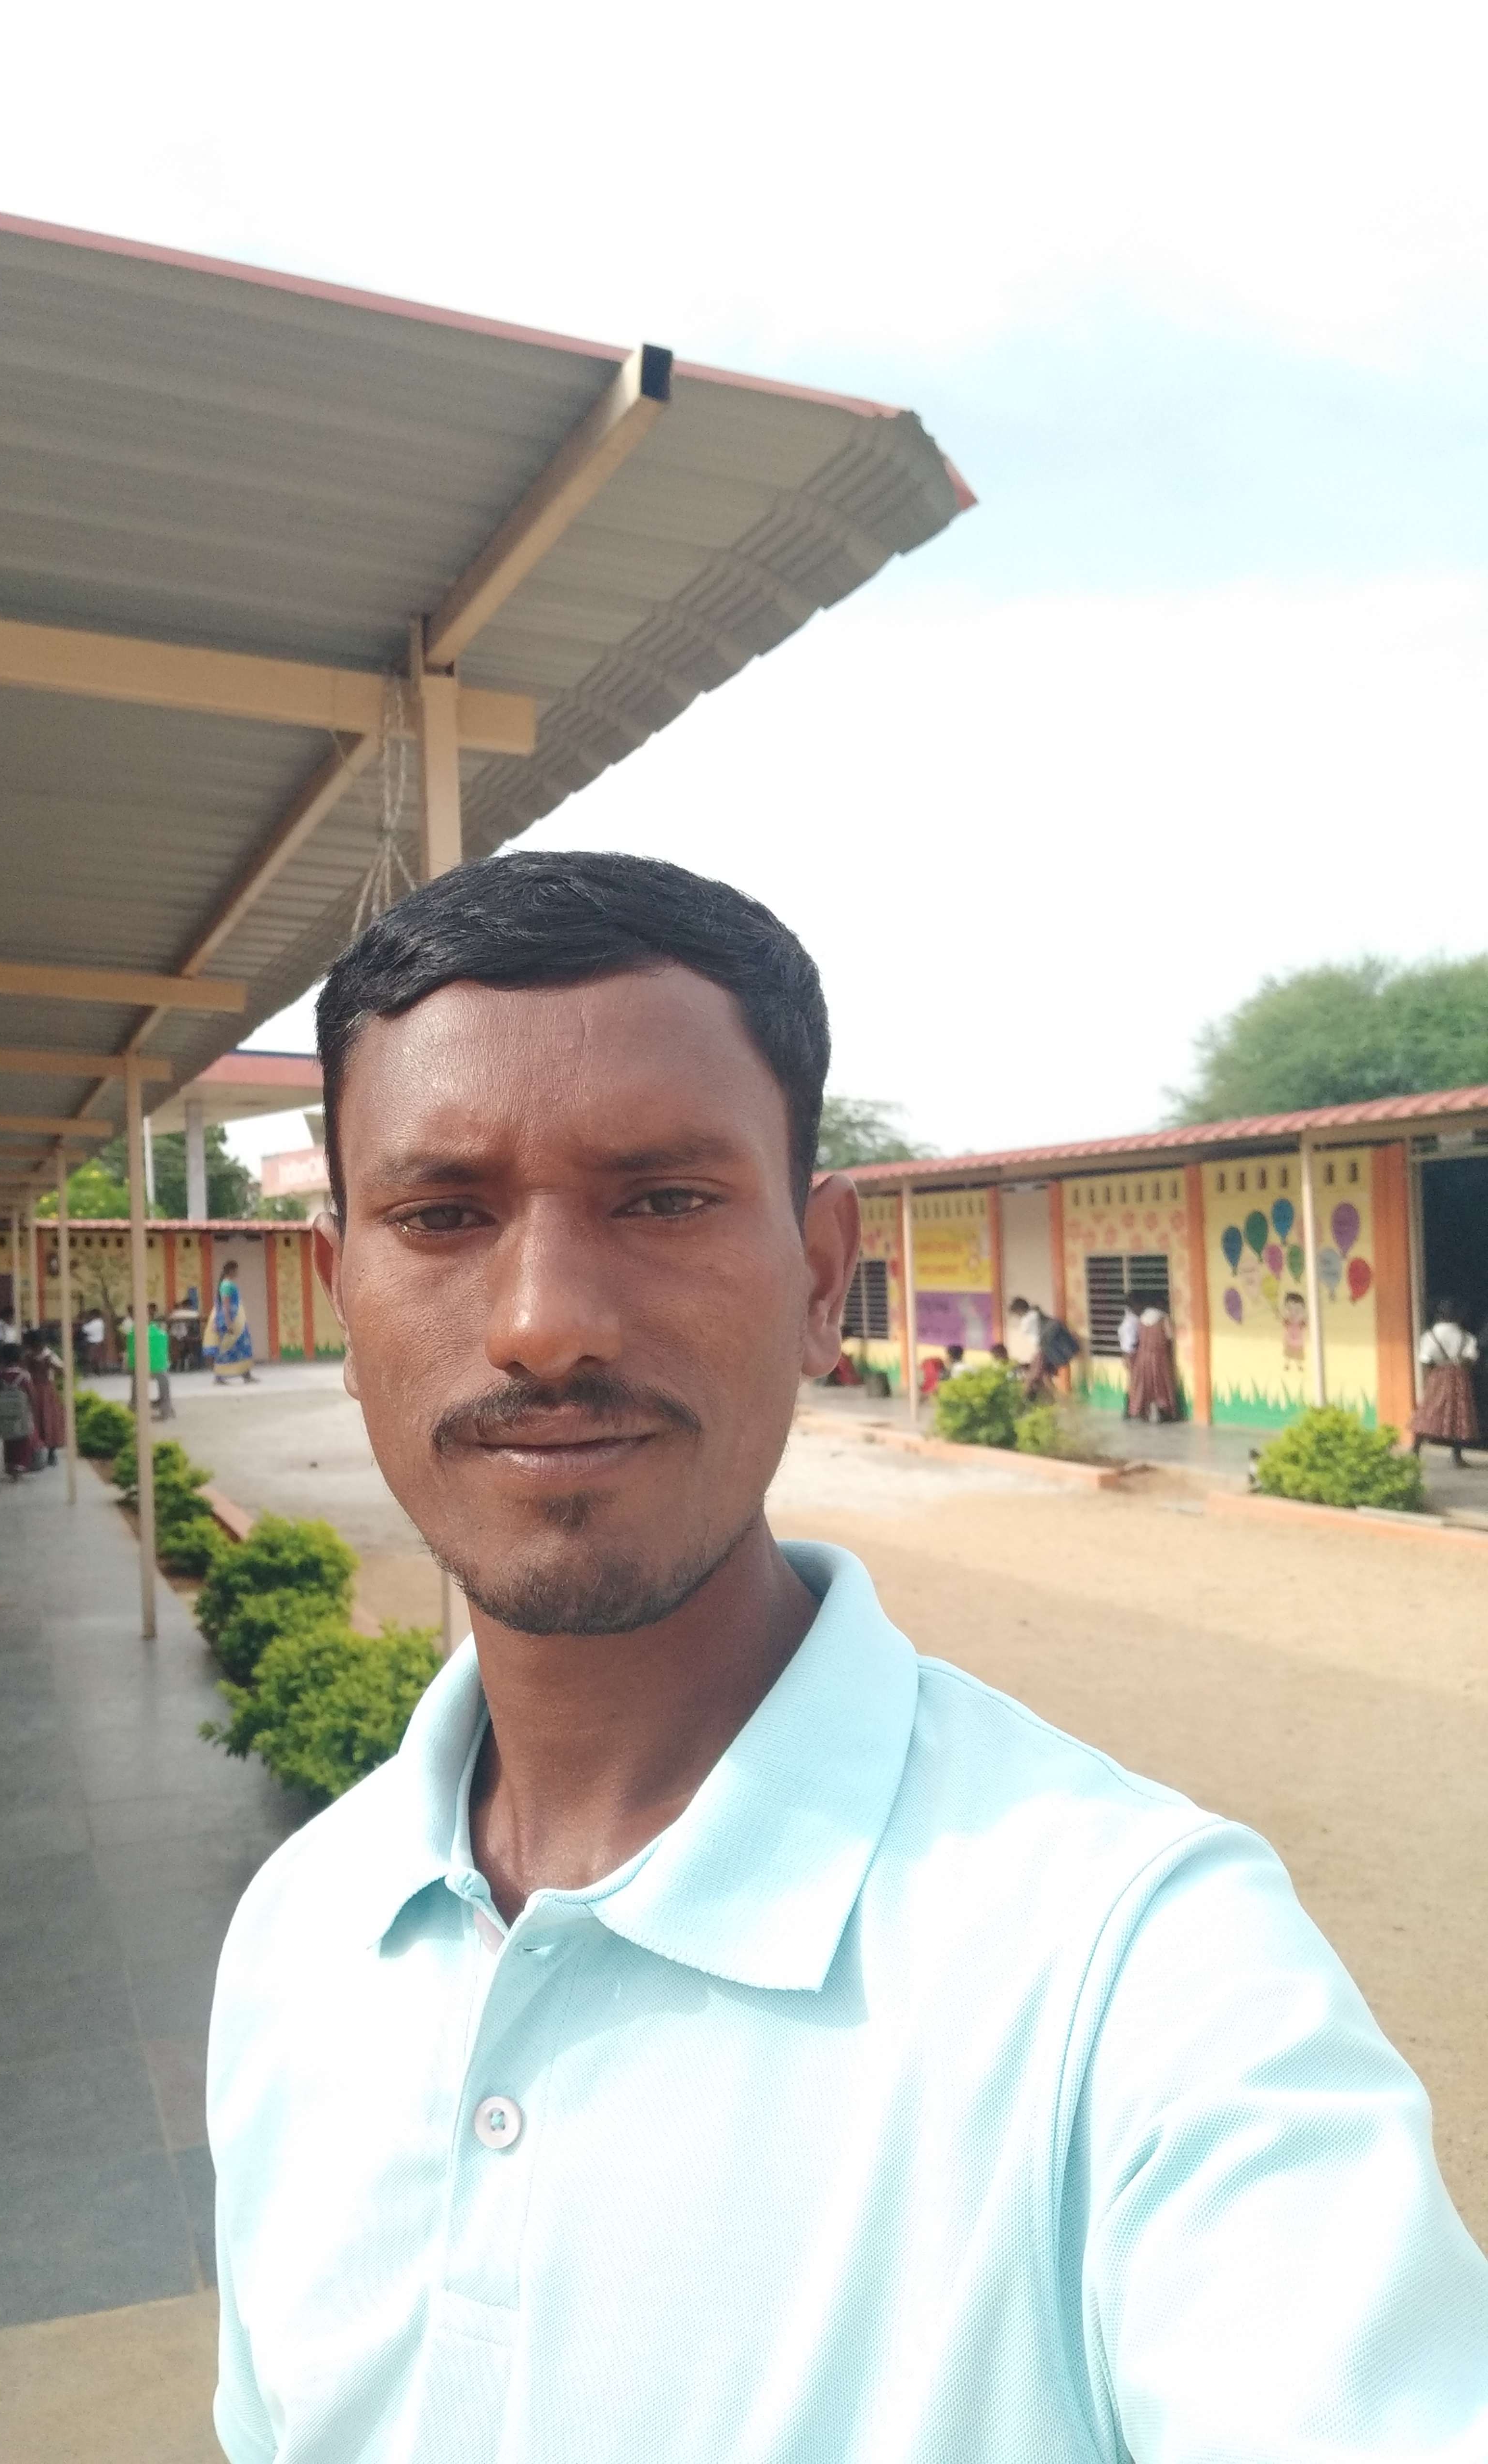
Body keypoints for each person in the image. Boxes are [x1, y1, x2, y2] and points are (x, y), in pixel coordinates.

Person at [207, 851, 1488, 2464]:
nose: (543, 1323)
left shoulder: (1138, 1986)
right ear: (342, 1290)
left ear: (823, 1276)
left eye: (662, 1200)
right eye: (442, 1215)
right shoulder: (297, 1944)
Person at [1410, 1300, 1480, 1467]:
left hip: (1438, 1375)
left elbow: (1426, 1360)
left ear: (1439, 1314)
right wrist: (1458, 1366)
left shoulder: (1430, 1336)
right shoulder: (1466, 1337)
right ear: (1457, 1315)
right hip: (1460, 1377)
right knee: (1459, 1415)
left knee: (1429, 1412)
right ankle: (1457, 1457)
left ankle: (1415, 1450)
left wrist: (1433, 1377)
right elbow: (1471, 1359)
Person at [1126, 1295, 1181, 1423]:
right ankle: (1164, 1411)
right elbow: (1170, 1336)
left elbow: (1137, 1338)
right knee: (1161, 1385)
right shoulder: (1164, 1319)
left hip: (1143, 1358)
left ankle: (1141, 1411)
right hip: (1159, 1357)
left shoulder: (1142, 1319)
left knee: (1144, 1385)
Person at [0, 1342, 39, 1478]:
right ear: (19, 1358)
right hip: (21, 1414)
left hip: (4, 1414)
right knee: (23, 1440)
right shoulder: (24, 1375)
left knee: (8, 1439)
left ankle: (10, 1465)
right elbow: (32, 1395)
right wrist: (33, 1410)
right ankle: (20, 1466)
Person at [206, 1260, 257, 1386]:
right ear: (232, 1271)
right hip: (231, 1321)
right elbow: (225, 1305)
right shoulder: (227, 1285)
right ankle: (219, 1377)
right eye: (236, 1270)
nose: (238, 1272)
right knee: (226, 1349)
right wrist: (228, 1323)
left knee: (243, 1348)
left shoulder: (228, 1284)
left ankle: (246, 1375)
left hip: (237, 1321)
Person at [22, 1330, 66, 1465]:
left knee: (48, 1420)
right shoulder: (30, 1356)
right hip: (37, 1390)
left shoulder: (48, 1356)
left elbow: (62, 1370)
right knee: (38, 1420)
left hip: (44, 1391)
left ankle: (51, 1452)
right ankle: (37, 1452)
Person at [1005, 1293, 1049, 1401]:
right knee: (1043, 1377)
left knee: (1031, 1378)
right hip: (1045, 1350)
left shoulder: (1028, 1320)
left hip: (1043, 1351)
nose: (1017, 1316)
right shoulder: (1036, 1314)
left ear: (1019, 1310)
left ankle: (1024, 1402)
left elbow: (1033, 1337)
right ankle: (1057, 1401)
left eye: (1016, 1313)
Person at [1115, 1296, 1140, 1412]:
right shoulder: (1134, 1321)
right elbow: (1132, 1341)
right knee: (1134, 1382)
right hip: (1132, 1353)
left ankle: (1130, 1409)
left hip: (1126, 1353)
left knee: (1132, 1381)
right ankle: (1130, 1409)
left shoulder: (1127, 1320)